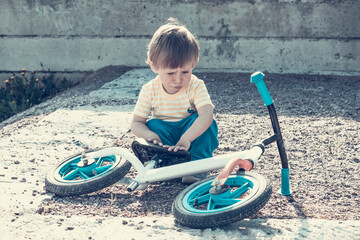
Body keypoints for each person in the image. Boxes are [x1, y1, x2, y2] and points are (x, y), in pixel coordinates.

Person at [131, 18, 219, 183]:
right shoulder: (150, 90)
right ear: (153, 66)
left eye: (185, 72)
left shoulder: (195, 85)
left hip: (192, 135)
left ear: (194, 64)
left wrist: (187, 138)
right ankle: (167, 161)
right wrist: (149, 134)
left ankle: (198, 166)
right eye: (171, 73)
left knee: (207, 122)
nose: (178, 79)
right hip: (167, 137)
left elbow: (206, 115)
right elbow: (136, 122)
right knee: (153, 124)